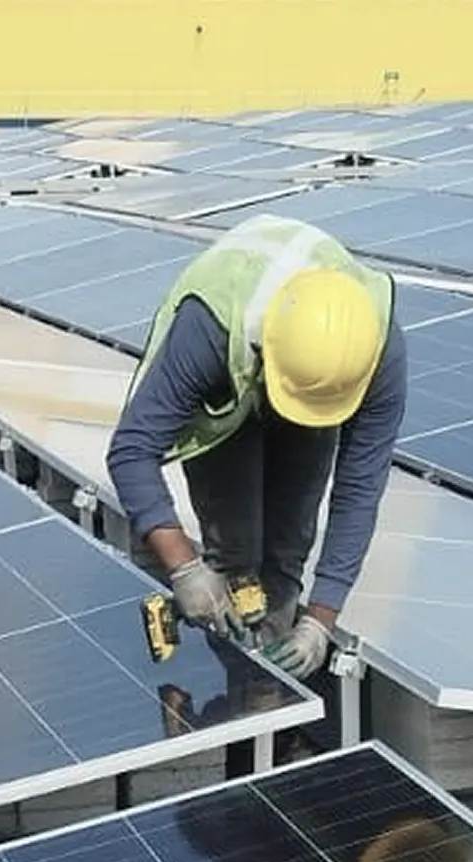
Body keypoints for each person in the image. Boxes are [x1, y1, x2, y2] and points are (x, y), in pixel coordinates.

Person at [107, 214, 407, 681]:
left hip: (307, 370)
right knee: (236, 551)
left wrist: (319, 623)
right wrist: (185, 568)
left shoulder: (372, 351)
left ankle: (267, 694)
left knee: (288, 548)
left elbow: (358, 492)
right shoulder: (209, 326)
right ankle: (219, 679)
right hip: (230, 377)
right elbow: (131, 451)